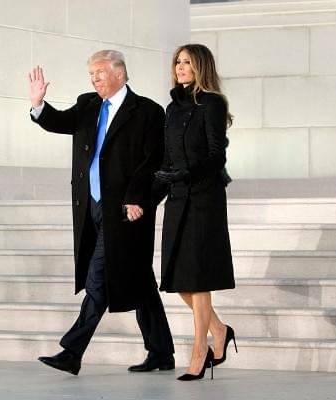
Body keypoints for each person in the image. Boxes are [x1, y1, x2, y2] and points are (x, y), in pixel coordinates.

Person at [27, 50, 175, 376]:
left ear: (119, 73)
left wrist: (141, 201)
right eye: (91, 74)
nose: (94, 79)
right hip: (90, 207)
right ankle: (162, 351)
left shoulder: (147, 111)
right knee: (140, 279)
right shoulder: (88, 104)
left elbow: (155, 162)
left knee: (98, 279)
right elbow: (60, 122)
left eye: (99, 73)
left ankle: (72, 351)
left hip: (125, 211)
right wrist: (39, 105)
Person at [153, 44, 236, 381]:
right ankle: (219, 329)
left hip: (204, 198)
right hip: (177, 197)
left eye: (187, 62)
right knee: (178, 279)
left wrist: (187, 174)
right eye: (177, 61)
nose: (180, 67)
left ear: (200, 67)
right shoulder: (171, 109)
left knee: (198, 280)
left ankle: (199, 350)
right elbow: (167, 162)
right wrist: (145, 199)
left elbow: (218, 156)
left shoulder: (212, 103)